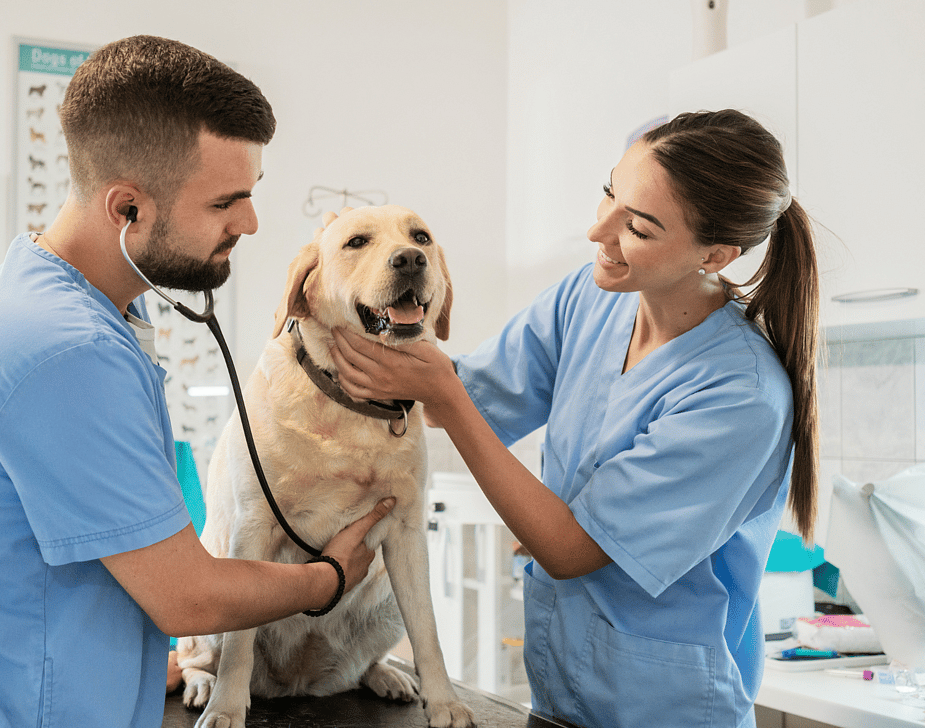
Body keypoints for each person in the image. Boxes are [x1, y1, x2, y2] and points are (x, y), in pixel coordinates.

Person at [0, 35, 395, 728]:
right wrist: (327, 580)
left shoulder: (77, 302)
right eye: (224, 204)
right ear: (127, 210)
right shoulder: (64, 352)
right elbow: (189, 598)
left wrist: (137, 656)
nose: (251, 222)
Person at [331, 109, 820, 728]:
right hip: (561, 694)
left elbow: (570, 548)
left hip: (666, 711)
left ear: (716, 253)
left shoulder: (739, 394)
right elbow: (455, 396)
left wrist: (444, 396)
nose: (598, 231)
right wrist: (343, 318)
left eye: (636, 227)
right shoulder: (588, 299)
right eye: (610, 192)